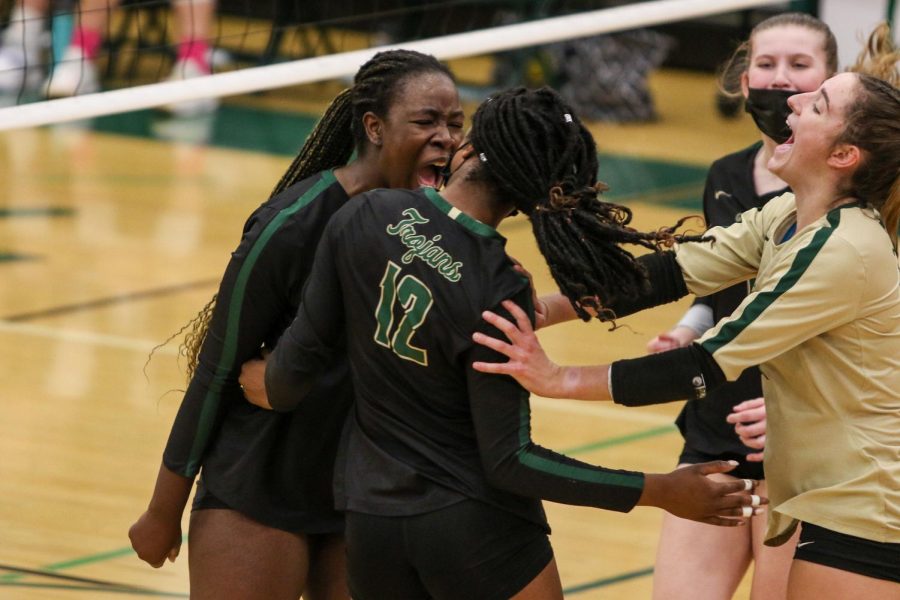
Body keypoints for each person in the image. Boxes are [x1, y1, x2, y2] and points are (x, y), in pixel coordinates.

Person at [243, 86, 766, 600]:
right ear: (527, 199)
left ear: (467, 148)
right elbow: (510, 461)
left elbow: (287, 380)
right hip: (475, 530)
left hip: (371, 521)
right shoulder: (498, 285)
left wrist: (247, 377)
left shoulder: (365, 213)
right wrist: (658, 490)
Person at [471, 71, 900, 598]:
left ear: (843, 156)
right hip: (826, 492)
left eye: (818, 105)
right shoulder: (790, 213)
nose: (795, 98)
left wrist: (558, 379)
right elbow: (678, 270)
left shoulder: (841, 250)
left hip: (865, 502)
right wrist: (550, 309)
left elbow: (703, 364)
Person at [127, 49, 464, 600]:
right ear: (374, 127)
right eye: (426, 121)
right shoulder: (290, 224)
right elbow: (216, 370)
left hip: (364, 494)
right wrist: (162, 511)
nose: (446, 137)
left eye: (455, 123)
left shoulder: (444, 234)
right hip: (260, 484)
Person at [642, 13, 837, 599]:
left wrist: (797, 414)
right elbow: (721, 286)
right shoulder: (725, 175)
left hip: (803, 450)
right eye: (766, 64)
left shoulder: (853, 195)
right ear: (743, 78)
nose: (780, 81)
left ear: (830, 80)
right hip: (715, 431)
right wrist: (686, 329)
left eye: (799, 66)